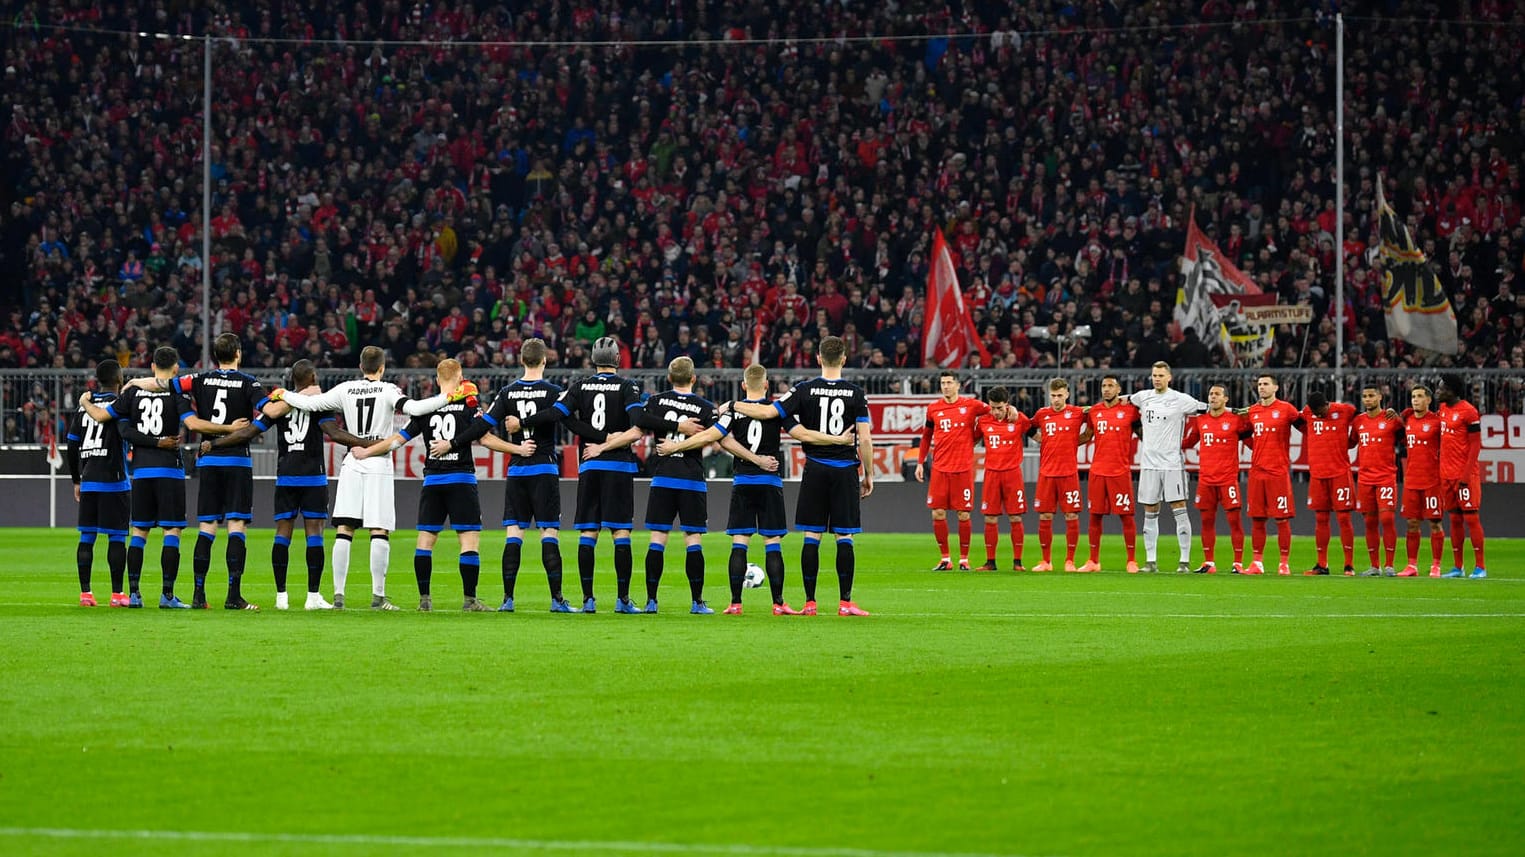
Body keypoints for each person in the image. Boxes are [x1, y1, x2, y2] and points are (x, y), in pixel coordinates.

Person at [271, 345, 460, 609]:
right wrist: (448, 397)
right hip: (377, 460)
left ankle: (338, 596)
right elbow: (416, 408)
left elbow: (309, 403)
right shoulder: (388, 390)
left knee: (344, 529)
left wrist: (284, 393)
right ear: (382, 368)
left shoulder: (345, 389)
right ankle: (378, 597)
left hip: (352, 459)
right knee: (379, 529)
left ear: (361, 366)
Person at [657, 363, 849, 614]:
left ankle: (736, 603)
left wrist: (675, 447)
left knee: (739, 543)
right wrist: (838, 440)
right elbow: (804, 434)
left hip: (743, 482)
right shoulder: (776, 411)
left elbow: (711, 436)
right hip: (769, 481)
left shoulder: (732, 411)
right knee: (772, 543)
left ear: (744, 385)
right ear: (767, 385)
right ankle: (779, 603)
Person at [79, 347, 235, 608]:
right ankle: (167, 595)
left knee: (139, 531)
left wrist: (85, 401)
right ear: (176, 369)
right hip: (169, 471)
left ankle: (136, 595)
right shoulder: (177, 393)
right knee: (171, 531)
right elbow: (192, 423)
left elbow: (113, 422)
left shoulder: (132, 392)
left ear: (152, 366)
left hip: (140, 471)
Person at [206, 359, 368, 609]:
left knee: (283, 533)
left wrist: (214, 444)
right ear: (313, 379)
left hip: (286, 476)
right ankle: (313, 597)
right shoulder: (318, 405)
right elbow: (334, 433)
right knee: (314, 533)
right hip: (313, 476)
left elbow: (249, 431)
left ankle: (281, 596)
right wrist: (370, 444)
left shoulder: (279, 407)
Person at [730, 335, 873, 616]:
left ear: (818, 358)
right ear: (844, 359)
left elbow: (769, 411)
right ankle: (845, 603)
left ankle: (810, 602)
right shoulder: (856, 393)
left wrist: (734, 405)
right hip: (845, 471)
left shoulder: (803, 390)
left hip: (815, 469)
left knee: (812, 535)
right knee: (844, 537)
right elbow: (865, 440)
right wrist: (868, 474)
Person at [439, 338, 578, 613]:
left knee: (514, 533)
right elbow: (565, 417)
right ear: (545, 360)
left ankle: (508, 599)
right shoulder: (553, 392)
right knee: (548, 532)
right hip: (544, 467)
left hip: (516, 471)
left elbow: (481, 426)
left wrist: (452, 443)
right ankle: (557, 599)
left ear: (521, 361)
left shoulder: (508, 392)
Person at [124, 333, 263, 609]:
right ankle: (233, 596)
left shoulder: (197, 380)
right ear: (237, 353)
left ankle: (199, 595)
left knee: (206, 527)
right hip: (237, 460)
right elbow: (266, 407)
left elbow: (164, 383)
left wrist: (134, 381)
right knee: (236, 526)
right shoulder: (250, 383)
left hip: (208, 460)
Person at [354, 359, 493, 611]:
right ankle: (470, 600)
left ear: (438, 380)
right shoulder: (468, 404)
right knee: (469, 540)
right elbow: (483, 434)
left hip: (433, 481)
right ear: (461, 378)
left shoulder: (425, 408)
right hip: (461, 478)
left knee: (426, 540)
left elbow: (398, 439)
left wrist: (367, 451)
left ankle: (424, 600)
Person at [628, 356, 719, 614]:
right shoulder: (704, 406)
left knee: (658, 539)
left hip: (663, 477)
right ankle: (697, 602)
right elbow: (716, 439)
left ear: (669, 378)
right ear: (694, 378)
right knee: (693, 540)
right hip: (692, 479)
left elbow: (640, 424)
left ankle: (651, 601)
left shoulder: (655, 402)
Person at [1127, 362, 1206, 573]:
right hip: (1149, 465)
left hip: (1172, 464)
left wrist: (1232, 411)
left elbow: (1207, 408)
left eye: (1161, 375)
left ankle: (1184, 561)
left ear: (1169, 377)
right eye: (1154, 375)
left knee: (1179, 510)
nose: (1157, 378)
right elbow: (1122, 399)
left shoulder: (1181, 400)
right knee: (1150, 510)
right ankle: (1151, 562)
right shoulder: (1142, 397)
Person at [66, 361, 130, 607]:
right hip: (115, 481)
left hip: (89, 480)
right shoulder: (120, 405)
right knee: (116, 538)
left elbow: (72, 446)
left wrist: (76, 480)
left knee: (87, 537)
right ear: (119, 378)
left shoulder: (84, 408)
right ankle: (117, 595)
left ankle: (86, 594)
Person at [915, 370, 990, 570]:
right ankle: (945, 559)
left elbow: (993, 412)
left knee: (963, 514)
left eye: (949, 382)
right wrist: (920, 462)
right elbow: (926, 436)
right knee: (938, 513)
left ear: (958, 385)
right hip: (940, 468)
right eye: (943, 383)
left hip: (963, 468)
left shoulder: (971, 405)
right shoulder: (933, 409)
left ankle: (964, 559)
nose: (946, 386)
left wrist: (977, 434)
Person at [1079, 374, 1141, 573]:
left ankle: (1131, 560)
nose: (1106, 389)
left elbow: (1144, 435)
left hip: (1120, 472)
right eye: (1104, 386)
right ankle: (1093, 561)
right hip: (1098, 471)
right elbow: (1087, 436)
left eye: (1110, 386)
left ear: (1119, 389)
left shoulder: (1130, 412)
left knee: (1127, 516)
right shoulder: (1094, 411)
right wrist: (1061, 442)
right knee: (1095, 516)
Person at [1185, 384, 1247, 574]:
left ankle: (1237, 563)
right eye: (1211, 394)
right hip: (1206, 480)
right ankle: (1209, 562)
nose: (1213, 397)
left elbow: (1252, 437)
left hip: (1228, 480)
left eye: (1217, 394)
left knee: (1234, 522)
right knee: (1206, 522)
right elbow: (1187, 443)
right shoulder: (1200, 420)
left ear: (1226, 399)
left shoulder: (1235, 420)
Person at [1244, 374, 1303, 575]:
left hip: (1278, 472)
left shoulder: (1287, 409)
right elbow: (1243, 434)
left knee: (1281, 519)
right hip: (1257, 472)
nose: (1261, 387)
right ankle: (1257, 563)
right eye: (1259, 384)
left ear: (1276, 387)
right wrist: (1258, 449)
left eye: (1266, 384)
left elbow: (1306, 428)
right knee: (1257, 519)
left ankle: (1283, 563)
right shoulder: (1253, 411)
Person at [1300, 390, 1359, 576]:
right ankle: (1321, 564)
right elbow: (1299, 423)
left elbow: (1361, 422)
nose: (1318, 415)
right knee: (1320, 519)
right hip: (1318, 474)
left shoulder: (1345, 410)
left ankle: (1349, 565)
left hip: (1340, 473)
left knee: (1343, 518)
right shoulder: (1308, 414)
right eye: (1315, 412)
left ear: (1327, 403)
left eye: (1320, 411)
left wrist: (1350, 442)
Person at [1029, 378, 1085, 572]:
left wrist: (1078, 441)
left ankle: (1070, 560)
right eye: (1053, 396)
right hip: (1047, 473)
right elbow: (1029, 427)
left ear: (1067, 395)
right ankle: (1046, 561)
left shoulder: (1077, 413)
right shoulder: (1042, 414)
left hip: (1068, 473)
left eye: (1060, 395)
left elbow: (1095, 418)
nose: (1056, 400)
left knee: (1071, 515)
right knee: (1044, 516)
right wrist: (1041, 440)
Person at [974, 386, 1031, 571]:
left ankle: (1018, 562)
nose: (996, 412)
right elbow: (970, 441)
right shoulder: (983, 421)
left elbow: (1036, 433)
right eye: (993, 408)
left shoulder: (1019, 419)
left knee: (1015, 518)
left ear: (1007, 405)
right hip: (991, 474)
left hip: (1012, 474)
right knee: (990, 518)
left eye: (999, 407)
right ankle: (990, 562)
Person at [1436, 375, 1486, 578]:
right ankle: (1458, 567)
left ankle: (1480, 567)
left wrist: (1466, 475)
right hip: (1446, 475)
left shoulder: (1469, 412)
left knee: (1471, 519)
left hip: (1464, 475)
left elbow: (1475, 445)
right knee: (1455, 520)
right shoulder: (1443, 410)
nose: (1438, 392)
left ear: (1452, 390)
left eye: (1442, 389)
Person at [1351, 385, 1403, 577]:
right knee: (1370, 522)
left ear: (1380, 397)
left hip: (1386, 476)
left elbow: (1406, 438)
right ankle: (1375, 566)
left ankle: (1389, 565)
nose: (1367, 399)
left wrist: (1400, 417)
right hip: (1364, 478)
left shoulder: (1391, 420)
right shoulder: (1358, 421)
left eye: (1371, 396)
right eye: (1364, 396)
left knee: (1387, 519)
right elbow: (1351, 442)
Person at [1398, 386, 1446, 577]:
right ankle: (1412, 566)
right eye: (1413, 397)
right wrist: (1404, 413)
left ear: (1428, 400)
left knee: (1435, 523)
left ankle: (1436, 565)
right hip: (1411, 480)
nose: (1415, 400)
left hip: (1432, 481)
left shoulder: (1436, 422)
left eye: (1419, 396)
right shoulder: (1408, 420)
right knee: (1411, 523)